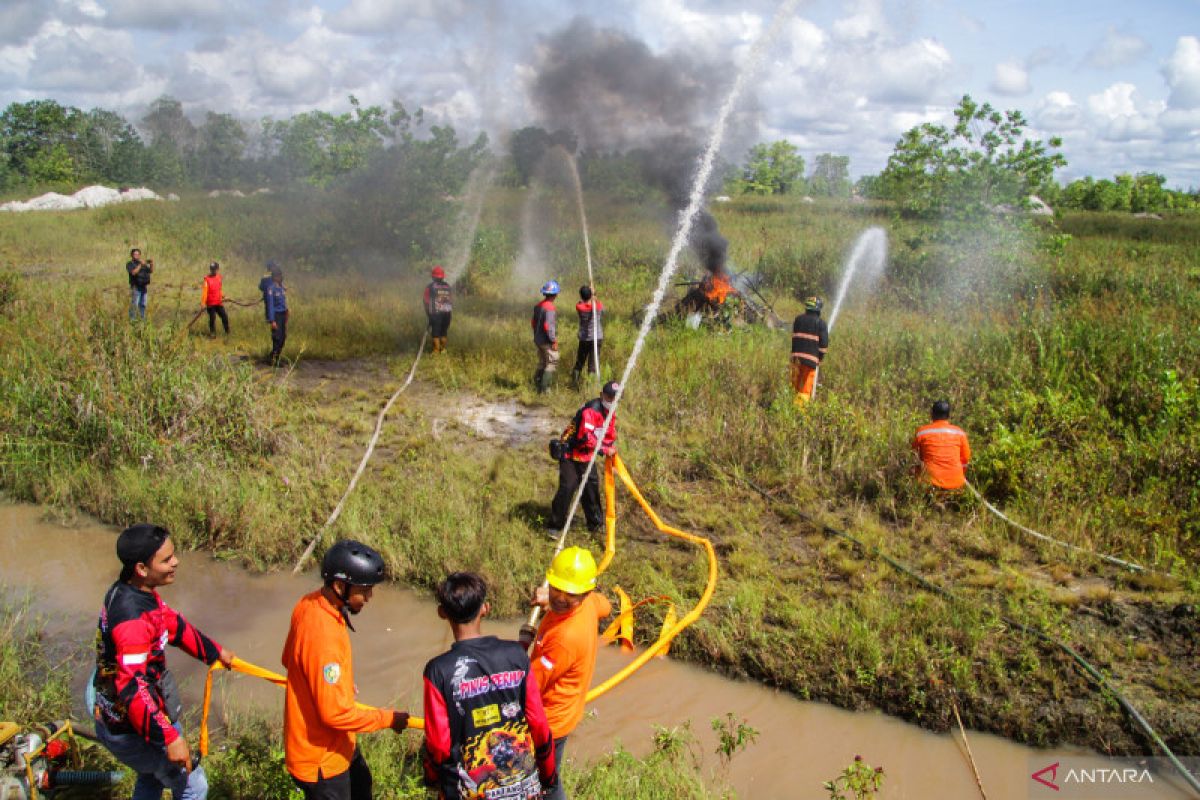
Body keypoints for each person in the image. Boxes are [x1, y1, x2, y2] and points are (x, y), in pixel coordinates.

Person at [91, 523, 235, 800]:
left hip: (126, 716)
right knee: (194, 786)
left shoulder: (134, 590)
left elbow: (172, 624)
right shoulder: (132, 621)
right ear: (142, 569)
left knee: (152, 777)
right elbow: (132, 687)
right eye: (167, 559)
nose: (176, 562)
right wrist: (170, 737)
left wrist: (214, 652)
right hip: (131, 727)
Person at [282, 540, 409, 800]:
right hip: (321, 761)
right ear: (340, 586)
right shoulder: (324, 635)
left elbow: (289, 660)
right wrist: (387, 719)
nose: (369, 598)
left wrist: (333, 686)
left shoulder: (310, 603)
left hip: (340, 746)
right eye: (365, 591)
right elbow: (334, 714)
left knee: (363, 784)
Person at [422, 572, 556, 800]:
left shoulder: (438, 671)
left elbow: (440, 744)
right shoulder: (516, 655)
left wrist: (432, 777)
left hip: (470, 791)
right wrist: (548, 774)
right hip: (524, 788)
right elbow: (539, 724)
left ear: (442, 613)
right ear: (485, 608)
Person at [529, 547, 612, 800]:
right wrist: (550, 602)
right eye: (556, 588)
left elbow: (529, 686)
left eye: (570, 594)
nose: (560, 597)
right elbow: (605, 605)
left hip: (549, 721)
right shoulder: (587, 605)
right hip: (564, 711)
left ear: (585, 593)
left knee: (547, 784)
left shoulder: (564, 638)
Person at [549, 381, 618, 535]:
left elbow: (609, 434)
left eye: (615, 398)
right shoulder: (591, 411)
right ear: (602, 396)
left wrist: (610, 445)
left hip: (586, 454)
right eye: (609, 397)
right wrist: (603, 449)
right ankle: (555, 525)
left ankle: (595, 524)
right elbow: (585, 437)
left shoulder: (610, 413)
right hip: (570, 454)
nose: (612, 401)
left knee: (591, 488)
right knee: (568, 486)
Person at [911, 399, 971, 491]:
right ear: (948, 415)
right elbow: (965, 458)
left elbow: (914, 456)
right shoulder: (960, 433)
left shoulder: (922, 432)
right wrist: (958, 476)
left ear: (932, 414)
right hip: (956, 483)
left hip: (930, 483)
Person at [790, 296, 829, 405]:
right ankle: (800, 415)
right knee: (805, 389)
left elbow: (794, 339)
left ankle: (789, 407)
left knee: (794, 386)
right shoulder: (821, 324)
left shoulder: (798, 320)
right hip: (810, 362)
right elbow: (824, 345)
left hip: (795, 359)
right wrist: (819, 359)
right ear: (818, 309)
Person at [570, 286, 603, 386]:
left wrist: (590, 294)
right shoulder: (597, 306)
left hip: (584, 339)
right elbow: (597, 303)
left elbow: (583, 303)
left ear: (581, 296)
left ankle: (574, 383)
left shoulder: (579, 307)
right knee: (592, 365)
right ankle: (590, 386)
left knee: (580, 362)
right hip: (596, 339)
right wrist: (594, 294)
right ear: (591, 296)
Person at [531, 281, 560, 393]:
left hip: (538, 339)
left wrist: (537, 334)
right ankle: (545, 389)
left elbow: (533, 323)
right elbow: (548, 326)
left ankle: (537, 384)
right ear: (555, 294)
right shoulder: (550, 308)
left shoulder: (538, 306)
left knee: (543, 362)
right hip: (546, 340)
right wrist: (554, 341)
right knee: (552, 362)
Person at [423, 266, 453, 354]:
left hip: (436, 313)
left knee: (435, 333)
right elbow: (450, 300)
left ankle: (436, 351)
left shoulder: (430, 286)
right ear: (443, 276)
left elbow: (426, 301)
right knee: (443, 332)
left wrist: (428, 314)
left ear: (433, 276)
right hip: (447, 313)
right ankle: (443, 349)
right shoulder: (447, 286)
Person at [266, 264, 288, 364]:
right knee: (277, 337)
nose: (281, 277)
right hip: (276, 316)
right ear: (275, 277)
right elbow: (270, 305)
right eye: (279, 275)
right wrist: (272, 320)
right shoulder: (271, 289)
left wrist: (287, 312)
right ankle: (275, 360)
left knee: (283, 337)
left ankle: (274, 356)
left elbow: (283, 302)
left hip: (283, 315)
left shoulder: (281, 287)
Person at [201, 262, 230, 336]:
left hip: (218, 302)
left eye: (214, 269)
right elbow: (205, 292)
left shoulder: (219, 278)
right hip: (210, 304)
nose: (213, 271)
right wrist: (203, 303)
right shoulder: (207, 279)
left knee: (224, 316)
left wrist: (224, 296)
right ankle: (212, 333)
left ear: (217, 269)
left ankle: (227, 332)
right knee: (212, 318)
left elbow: (219, 290)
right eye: (211, 269)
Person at [126, 248, 153, 321]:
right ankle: (132, 320)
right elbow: (133, 272)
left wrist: (151, 264)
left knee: (143, 304)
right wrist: (141, 265)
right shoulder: (130, 264)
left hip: (144, 287)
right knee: (134, 304)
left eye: (138, 254)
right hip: (135, 287)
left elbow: (150, 271)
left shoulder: (143, 264)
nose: (136, 256)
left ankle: (142, 319)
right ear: (131, 255)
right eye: (135, 254)